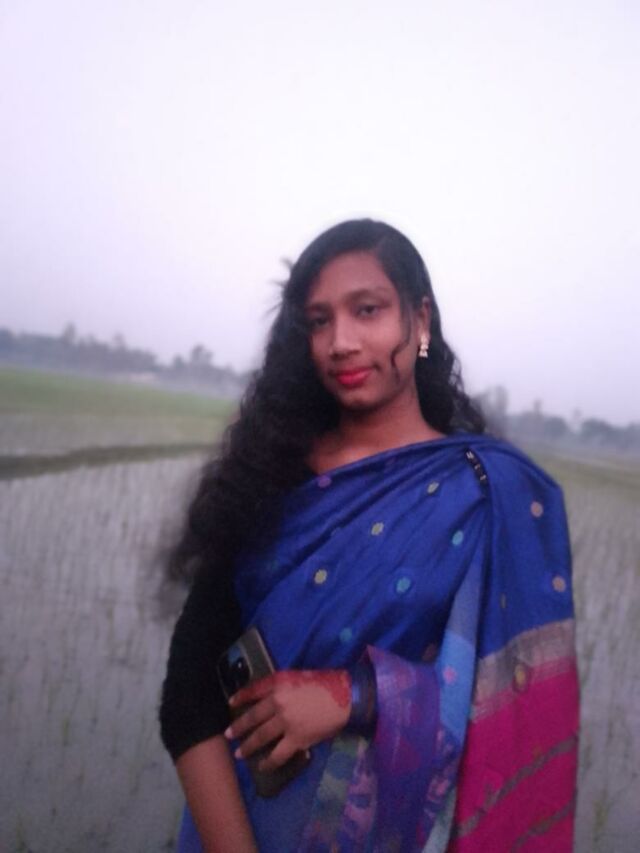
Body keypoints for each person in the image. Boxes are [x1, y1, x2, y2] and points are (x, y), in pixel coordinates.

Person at [159, 219, 579, 852]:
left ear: (420, 320)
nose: (340, 342)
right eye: (318, 321)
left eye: (367, 310)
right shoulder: (266, 476)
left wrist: (354, 696)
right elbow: (188, 696)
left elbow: (513, 702)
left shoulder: (487, 492)